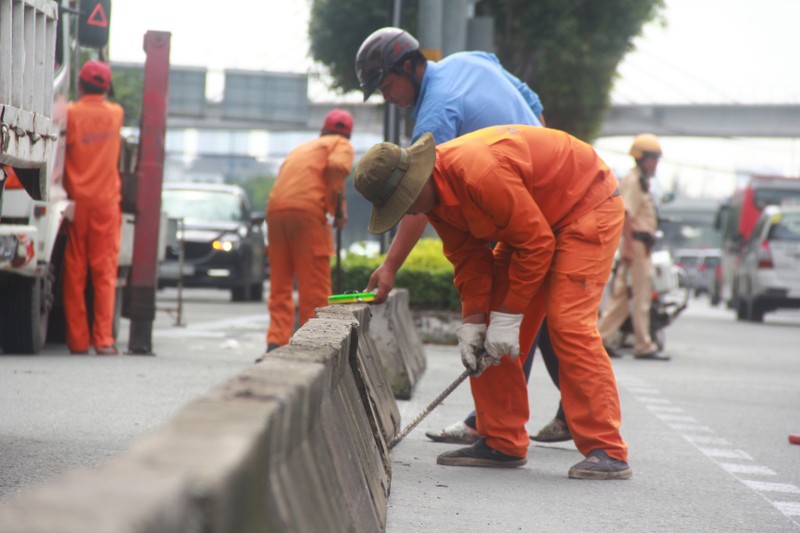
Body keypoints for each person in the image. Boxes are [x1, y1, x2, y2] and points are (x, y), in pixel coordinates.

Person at [354, 125, 631, 479]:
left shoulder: (478, 172)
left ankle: (606, 448)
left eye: (405, 201)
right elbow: (469, 260)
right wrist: (472, 323)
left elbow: (537, 243)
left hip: (585, 208)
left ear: (418, 179)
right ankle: (502, 439)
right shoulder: (432, 200)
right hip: (532, 226)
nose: (407, 212)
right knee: (486, 328)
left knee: (567, 324)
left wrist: (509, 316)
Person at [355, 26, 570, 445]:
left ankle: (491, 424)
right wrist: (538, 162)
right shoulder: (468, 60)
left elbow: (416, 200)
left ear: (410, 66)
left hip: (521, 208)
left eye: (387, 85)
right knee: (538, 318)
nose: (388, 97)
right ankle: (562, 414)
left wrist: (390, 266)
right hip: (544, 192)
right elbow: (534, 106)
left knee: (508, 314)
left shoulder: (436, 112)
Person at [265, 109, 355, 351]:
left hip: (275, 211)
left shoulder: (303, 149)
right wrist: (337, 211)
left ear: (322, 130)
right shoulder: (341, 145)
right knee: (314, 287)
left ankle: (275, 342)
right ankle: (311, 347)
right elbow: (337, 167)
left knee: (280, 284)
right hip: (306, 213)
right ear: (348, 134)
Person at [63, 60, 124, 356]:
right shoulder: (116, 114)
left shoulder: (71, 114)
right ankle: (103, 340)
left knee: (75, 270)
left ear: (80, 83)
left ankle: (77, 341)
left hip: (78, 202)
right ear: (107, 86)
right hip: (107, 203)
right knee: (104, 273)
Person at [598, 133, 670, 361]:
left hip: (639, 245)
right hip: (636, 245)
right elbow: (625, 214)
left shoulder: (640, 180)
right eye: (654, 158)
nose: (656, 163)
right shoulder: (633, 180)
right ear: (643, 158)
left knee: (621, 297)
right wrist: (628, 247)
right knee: (641, 298)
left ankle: (602, 339)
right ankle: (643, 345)